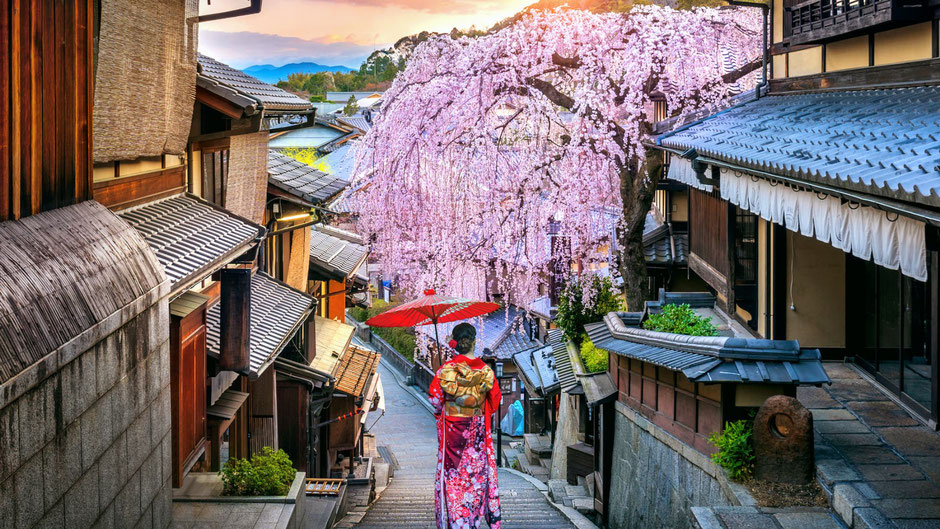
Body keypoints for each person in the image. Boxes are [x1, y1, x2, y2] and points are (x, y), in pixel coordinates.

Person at [429, 322, 502, 529]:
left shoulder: (446, 370)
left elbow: (434, 401)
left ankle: (456, 521)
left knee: (454, 479)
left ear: (455, 343)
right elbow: (494, 402)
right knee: (475, 478)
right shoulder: (485, 370)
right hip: (476, 433)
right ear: (474, 342)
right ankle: (473, 522)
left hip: (453, 433)